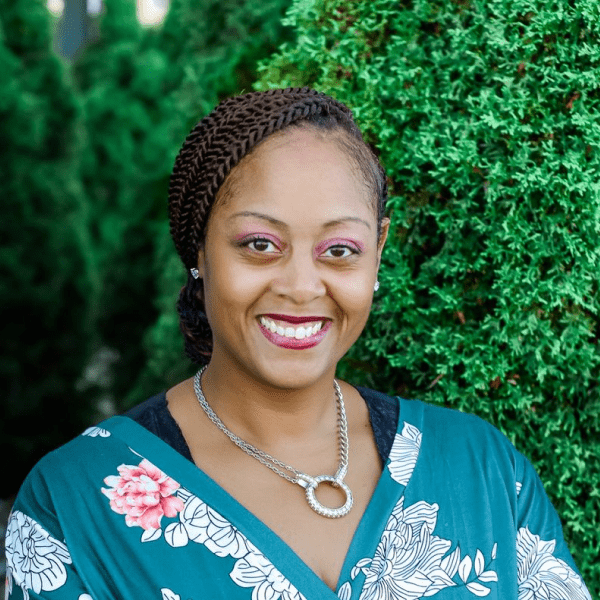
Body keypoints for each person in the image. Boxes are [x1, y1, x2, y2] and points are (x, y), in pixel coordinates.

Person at [5, 88, 591, 600]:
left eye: (339, 250)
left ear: (378, 249)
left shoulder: (484, 470)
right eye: (260, 244)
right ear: (200, 252)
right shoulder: (74, 504)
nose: (302, 287)